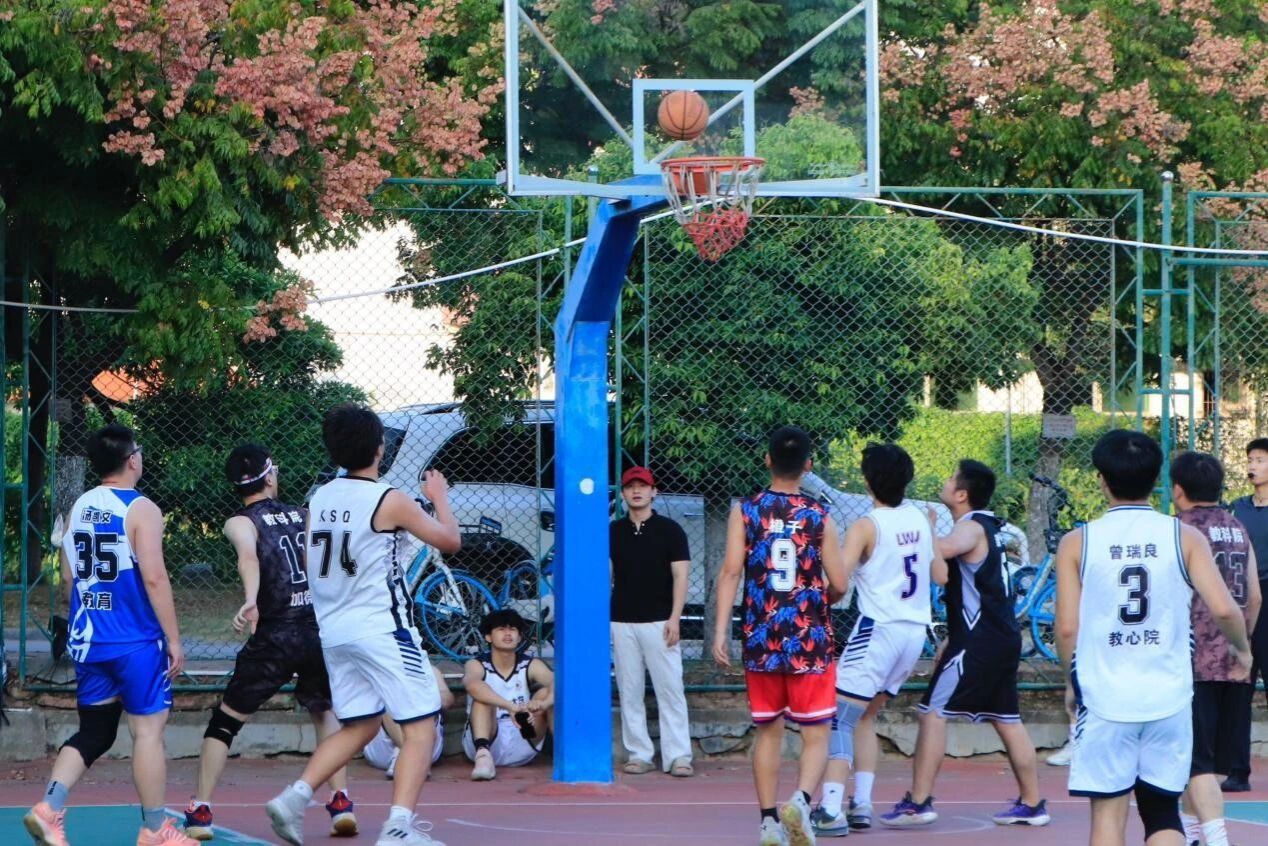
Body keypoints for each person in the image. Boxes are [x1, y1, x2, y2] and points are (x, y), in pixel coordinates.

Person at [264, 404, 461, 846]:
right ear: (380, 448)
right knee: (421, 725)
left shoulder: (320, 498)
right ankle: (398, 829)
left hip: (335, 631)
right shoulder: (388, 499)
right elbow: (451, 541)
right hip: (381, 627)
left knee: (361, 726)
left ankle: (294, 798)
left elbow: (310, 560)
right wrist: (440, 497)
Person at [1055, 430, 1252, 846]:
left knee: (1107, 816)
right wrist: (1242, 649)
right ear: (1157, 479)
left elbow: (1068, 628)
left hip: (1106, 696)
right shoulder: (1184, 536)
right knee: (1163, 811)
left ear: (1101, 480)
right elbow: (1225, 609)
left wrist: (1071, 682)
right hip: (1170, 696)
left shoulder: (1077, 543)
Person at [25, 423, 197, 846]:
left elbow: (68, 579)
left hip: (90, 640)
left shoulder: (79, 506)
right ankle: (155, 829)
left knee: (96, 732)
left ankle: (48, 807)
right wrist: (174, 639)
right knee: (148, 732)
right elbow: (154, 578)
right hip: (135, 643)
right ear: (132, 459)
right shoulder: (141, 508)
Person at [185, 445, 357, 841]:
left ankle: (201, 810)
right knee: (326, 713)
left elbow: (248, 557)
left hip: (275, 635)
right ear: (270, 476)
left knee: (226, 721)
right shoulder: (304, 514)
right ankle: (341, 804)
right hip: (315, 630)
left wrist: (251, 598)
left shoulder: (239, 521)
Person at [880, 459, 1048, 829]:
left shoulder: (970, 528)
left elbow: (941, 550)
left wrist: (926, 527)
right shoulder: (988, 527)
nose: (944, 481)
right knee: (1007, 719)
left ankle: (919, 802)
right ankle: (1033, 803)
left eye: (950, 477)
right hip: (997, 637)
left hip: (980, 640)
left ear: (961, 494)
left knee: (932, 713)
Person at [712, 425, 847, 846]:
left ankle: (769, 821)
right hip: (809, 638)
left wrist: (721, 630)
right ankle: (801, 801)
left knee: (767, 731)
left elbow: (730, 571)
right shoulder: (819, 515)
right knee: (816, 733)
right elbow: (840, 583)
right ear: (808, 465)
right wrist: (821, 595)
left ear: (767, 459)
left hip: (761, 637)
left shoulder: (746, 510)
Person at [813, 444, 935, 836]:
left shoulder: (867, 526)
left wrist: (819, 601)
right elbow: (939, 574)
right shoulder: (920, 518)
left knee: (838, 717)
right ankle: (862, 802)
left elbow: (839, 580)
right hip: (913, 632)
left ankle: (830, 808)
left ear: (867, 481)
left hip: (878, 630)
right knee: (864, 716)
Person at [1171, 452, 1261, 846]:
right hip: (1235, 659)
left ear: (1178, 490)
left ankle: (1214, 837)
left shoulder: (1179, 530)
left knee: (1195, 763)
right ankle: (1192, 832)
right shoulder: (1238, 526)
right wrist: (1242, 645)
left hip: (1191, 661)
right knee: (1213, 763)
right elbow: (1254, 597)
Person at [610, 465, 694, 777]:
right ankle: (639, 753)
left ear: (653, 491)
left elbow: (681, 575)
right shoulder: (613, 531)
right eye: (630, 486)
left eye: (642, 486)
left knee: (670, 689)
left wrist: (675, 617)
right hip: (621, 621)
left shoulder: (671, 530)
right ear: (622, 493)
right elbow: (607, 575)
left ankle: (678, 756)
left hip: (660, 621)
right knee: (629, 689)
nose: (637, 491)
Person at [461, 609, 554, 781]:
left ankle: (568, 754)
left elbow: (558, 682)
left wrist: (544, 703)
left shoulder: (529, 664)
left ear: (519, 637)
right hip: (487, 736)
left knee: (545, 693)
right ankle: (483, 759)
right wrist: (510, 706)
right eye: (501, 629)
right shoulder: (476, 664)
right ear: (488, 637)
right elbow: (472, 685)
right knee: (483, 700)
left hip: (524, 733)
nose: (508, 633)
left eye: (513, 629)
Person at [1225, 436, 1268, 792]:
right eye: (1250, 459)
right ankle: (1237, 771)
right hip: (1243, 603)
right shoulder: (1237, 509)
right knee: (1239, 687)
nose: (1253, 465)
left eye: (1260, 460)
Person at [362, 664, 455, 778]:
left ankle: (411, 757)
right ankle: (413, 758)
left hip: (427, 747)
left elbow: (447, 699)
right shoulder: (374, 666)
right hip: (382, 749)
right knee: (387, 699)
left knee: (427, 704)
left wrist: (420, 696)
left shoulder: (427, 668)